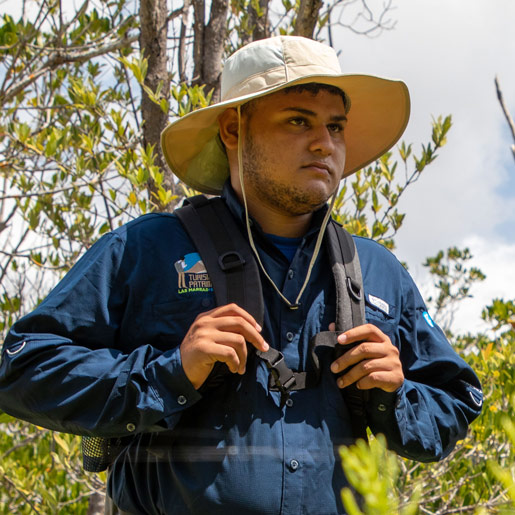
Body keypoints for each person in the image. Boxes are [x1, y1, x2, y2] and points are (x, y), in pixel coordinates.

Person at [0, 36, 482, 514]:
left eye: (336, 127)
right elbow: (21, 369)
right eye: (299, 120)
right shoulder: (146, 249)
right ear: (233, 129)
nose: (325, 143)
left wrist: (396, 394)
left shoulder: (378, 271)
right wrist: (169, 373)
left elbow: (455, 403)